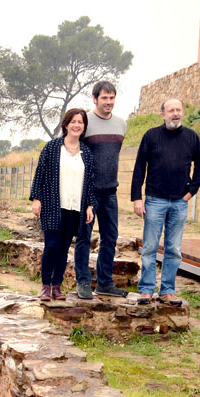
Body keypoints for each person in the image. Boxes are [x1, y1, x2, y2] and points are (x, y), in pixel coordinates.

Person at [130, 97, 200, 306]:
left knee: (173, 249)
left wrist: (190, 193)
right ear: (162, 114)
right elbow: (139, 168)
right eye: (170, 110)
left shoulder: (191, 137)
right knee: (150, 247)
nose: (175, 114)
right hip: (155, 200)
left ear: (183, 112)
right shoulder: (151, 136)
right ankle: (146, 290)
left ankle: (167, 291)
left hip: (179, 202)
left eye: (178, 110)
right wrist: (137, 197)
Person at [29, 108, 97, 301]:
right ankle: (45, 286)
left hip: (75, 208)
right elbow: (40, 174)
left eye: (80, 122)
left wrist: (90, 205)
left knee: (64, 247)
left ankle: (57, 286)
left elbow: (91, 182)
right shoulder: (52, 147)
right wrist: (36, 198)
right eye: (73, 121)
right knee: (51, 246)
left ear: (84, 127)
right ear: (66, 124)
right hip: (52, 205)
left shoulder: (87, 153)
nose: (77, 125)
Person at [75, 81, 127, 300]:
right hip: (87, 192)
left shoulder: (121, 124)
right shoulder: (85, 122)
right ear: (95, 99)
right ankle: (83, 282)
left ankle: (105, 283)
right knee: (84, 237)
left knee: (110, 237)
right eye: (104, 98)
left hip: (110, 192)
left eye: (112, 97)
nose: (109, 102)